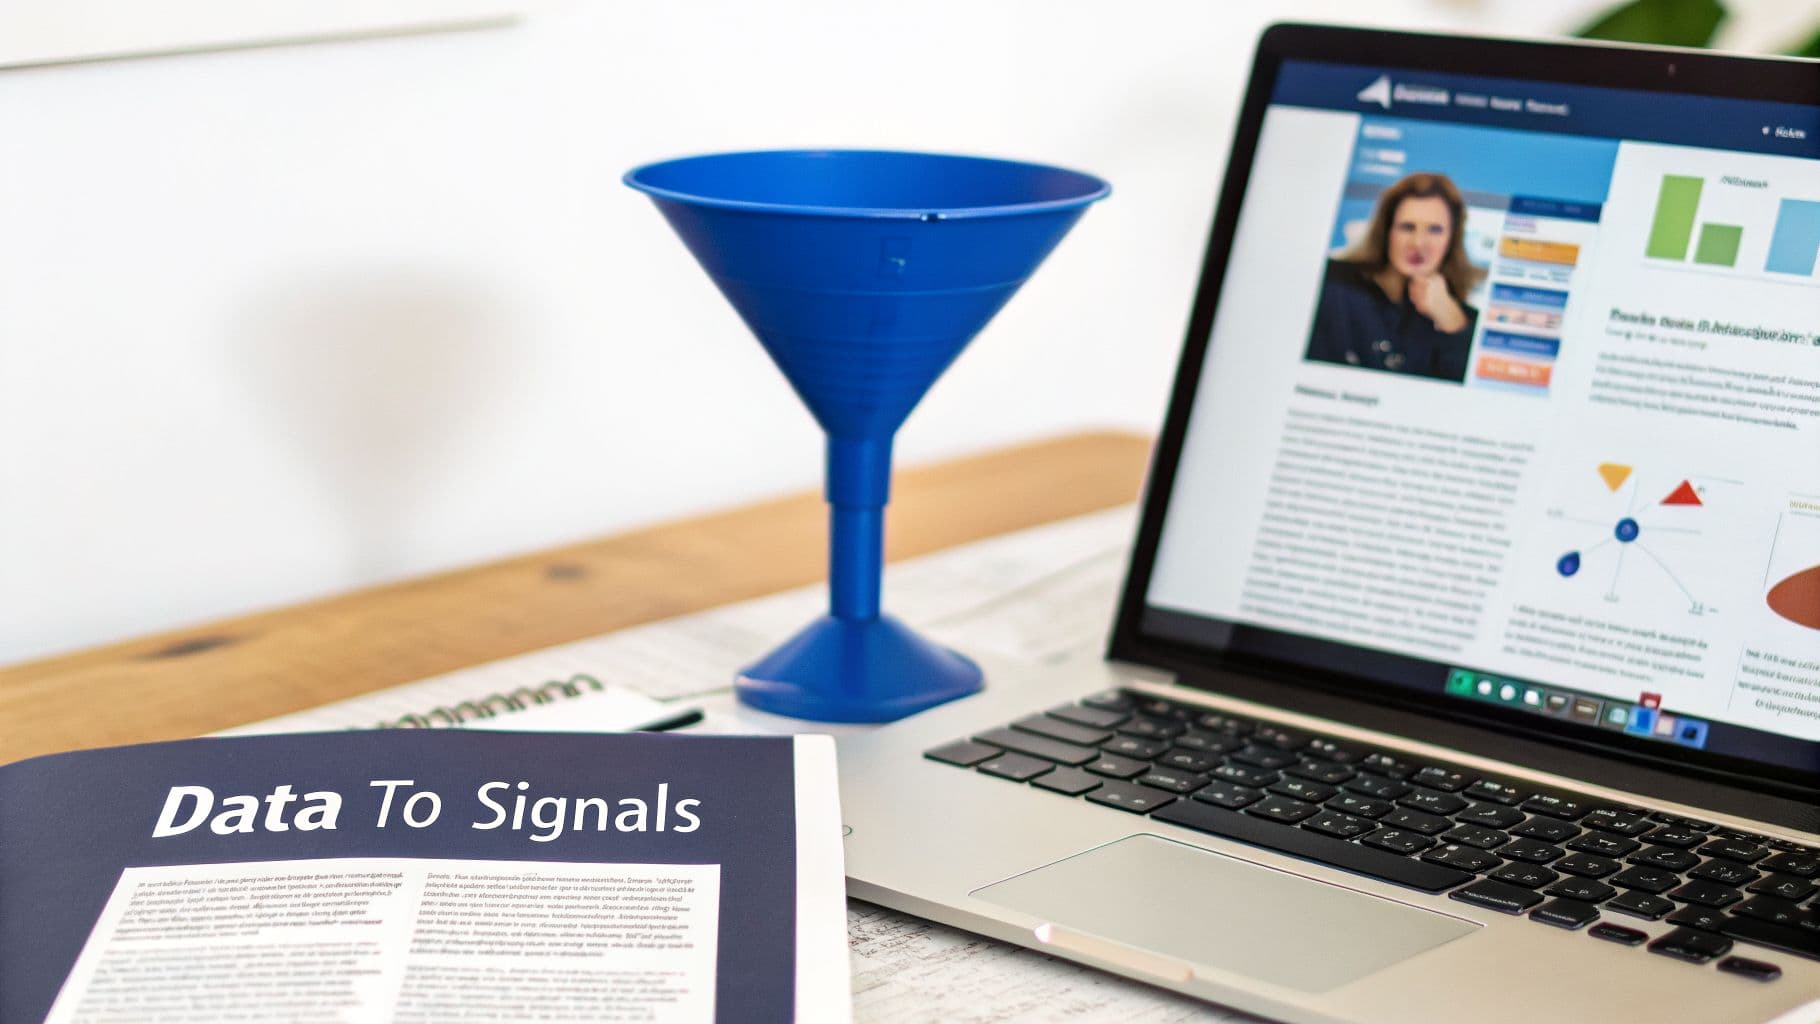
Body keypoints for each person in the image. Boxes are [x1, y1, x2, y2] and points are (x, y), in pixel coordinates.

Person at [1306, 172, 1480, 382]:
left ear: (1452, 238)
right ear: (1387, 229)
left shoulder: (1463, 320)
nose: (1418, 243)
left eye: (1434, 230)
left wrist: (1453, 321)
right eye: (1407, 227)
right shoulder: (1332, 284)